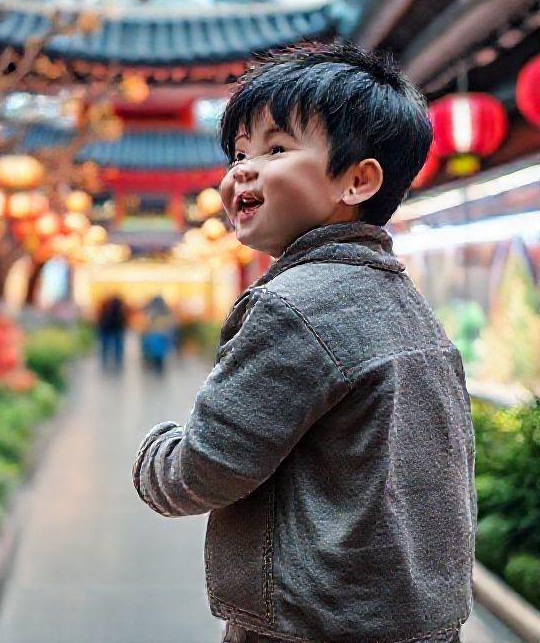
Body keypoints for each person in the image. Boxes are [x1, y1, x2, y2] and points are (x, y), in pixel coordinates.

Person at [132, 42, 475, 643]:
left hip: (310, 627)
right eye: (239, 152)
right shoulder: (405, 303)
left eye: (276, 149)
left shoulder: (292, 306)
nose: (242, 168)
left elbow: (206, 468)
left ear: (357, 180)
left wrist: (153, 456)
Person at [140, 295, 176, 373]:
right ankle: (159, 368)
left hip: (153, 335)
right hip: (163, 335)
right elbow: (171, 323)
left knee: (153, 353)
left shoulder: (151, 311)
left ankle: (154, 366)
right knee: (160, 354)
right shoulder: (167, 311)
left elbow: (146, 324)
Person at [97, 294, 126, 371]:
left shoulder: (106, 309)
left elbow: (101, 320)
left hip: (107, 329)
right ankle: (117, 361)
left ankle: (105, 361)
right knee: (117, 347)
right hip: (116, 329)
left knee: (106, 347)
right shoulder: (119, 309)